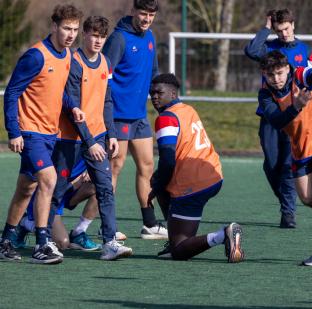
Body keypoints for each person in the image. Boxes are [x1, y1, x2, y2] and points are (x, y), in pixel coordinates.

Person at [0, 4, 85, 264]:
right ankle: (41, 244)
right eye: (66, 28)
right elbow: (12, 92)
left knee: (27, 188)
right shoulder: (36, 56)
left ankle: (5, 242)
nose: (71, 34)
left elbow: (57, 88)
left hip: (50, 132)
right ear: (54, 27)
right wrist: (13, 132)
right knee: (48, 179)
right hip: (30, 131)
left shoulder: (68, 55)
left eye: (75, 29)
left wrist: (73, 106)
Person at [54, 15, 132, 260]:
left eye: (102, 36)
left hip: (97, 136)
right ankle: (33, 231)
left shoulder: (106, 62)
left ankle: (109, 242)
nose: (98, 41)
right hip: (71, 139)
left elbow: (107, 101)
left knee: (105, 188)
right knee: (54, 191)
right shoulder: (74, 62)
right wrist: (90, 142)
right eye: (94, 35)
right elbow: (73, 107)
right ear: (84, 34)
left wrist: (111, 134)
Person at [258, 51, 312, 267]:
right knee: (308, 198)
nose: (276, 79)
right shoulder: (265, 95)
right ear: (264, 74)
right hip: (301, 146)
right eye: (271, 75)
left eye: (279, 73)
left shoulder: (299, 76)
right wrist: (296, 106)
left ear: (287, 69)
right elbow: (278, 121)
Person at [147, 73, 244, 263]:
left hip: (193, 184)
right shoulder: (187, 109)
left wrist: (156, 187)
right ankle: (175, 233)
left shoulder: (165, 118)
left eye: (159, 92)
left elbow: (167, 159)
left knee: (179, 250)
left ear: (173, 94)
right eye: (152, 93)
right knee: (160, 183)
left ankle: (223, 234)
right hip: (214, 176)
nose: (154, 97)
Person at [244, 8, 312, 228]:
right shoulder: (269, 49)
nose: (284, 33)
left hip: (296, 117)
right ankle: (287, 201)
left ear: (293, 25)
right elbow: (251, 50)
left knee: (287, 165)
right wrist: (266, 28)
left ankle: (288, 213)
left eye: (286, 28)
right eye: (279, 30)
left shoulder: (307, 50)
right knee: (271, 165)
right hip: (269, 116)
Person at [103, 0, 166, 239]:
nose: (147, 19)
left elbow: (154, 74)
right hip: (118, 116)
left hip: (139, 116)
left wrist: (161, 102)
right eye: (143, 14)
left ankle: (149, 224)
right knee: (115, 168)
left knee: (147, 166)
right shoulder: (118, 39)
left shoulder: (150, 37)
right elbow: (104, 74)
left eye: (151, 15)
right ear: (133, 12)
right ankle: (107, 226)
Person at [15, 160, 100, 251]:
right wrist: (76, 182)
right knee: (62, 243)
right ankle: (25, 222)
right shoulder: (58, 148)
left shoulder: (90, 147)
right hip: (50, 198)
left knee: (101, 187)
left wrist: (91, 172)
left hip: (68, 191)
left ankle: (78, 233)